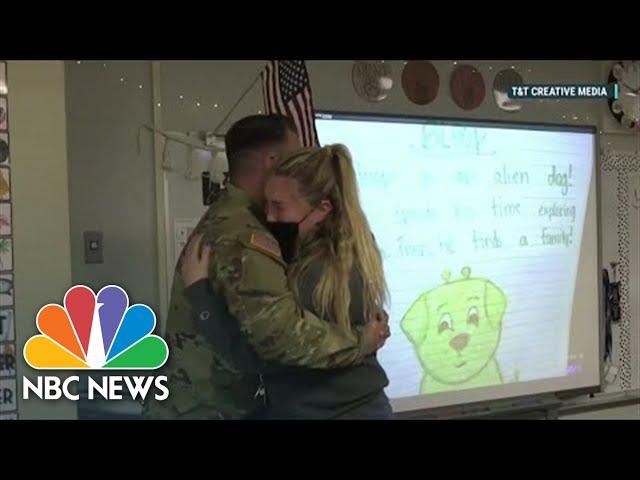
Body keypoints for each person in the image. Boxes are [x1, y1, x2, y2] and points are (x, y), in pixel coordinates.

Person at [143, 115, 388, 420]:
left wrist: (202, 296)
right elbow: (281, 339)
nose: (302, 158)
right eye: (295, 152)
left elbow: (277, 342)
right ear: (272, 161)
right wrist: (362, 340)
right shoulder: (248, 233)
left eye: (280, 207)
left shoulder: (263, 235)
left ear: (322, 210)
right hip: (213, 406)